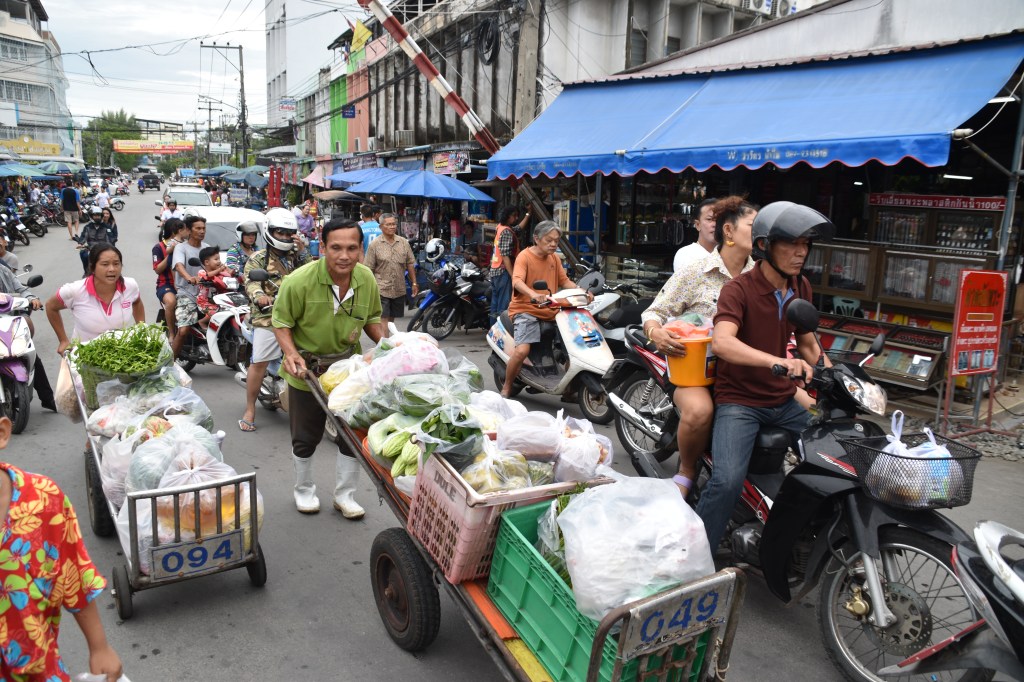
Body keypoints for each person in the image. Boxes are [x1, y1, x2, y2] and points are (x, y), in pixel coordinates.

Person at [697, 201, 832, 552]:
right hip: (740, 401)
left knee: (832, 456)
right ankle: (697, 556)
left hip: (783, 399)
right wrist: (777, 362)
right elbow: (723, 342)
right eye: (791, 244)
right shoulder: (738, 289)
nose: (801, 252)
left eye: (805, 245)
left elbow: (807, 343)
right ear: (764, 246)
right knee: (727, 481)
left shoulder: (800, 287)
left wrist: (838, 381)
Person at [641, 197, 757, 498]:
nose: (762, 232)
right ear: (729, 231)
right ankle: (687, 469)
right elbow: (654, 312)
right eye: (754, 226)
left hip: (745, 371)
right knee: (699, 411)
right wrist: (657, 333)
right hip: (694, 369)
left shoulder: (761, 276)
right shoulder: (696, 271)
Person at [273, 217, 382, 517]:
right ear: (322, 247)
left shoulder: (366, 279)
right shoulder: (299, 281)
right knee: (306, 437)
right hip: (307, 373)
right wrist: (291, 353)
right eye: (336, 247)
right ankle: (304, 490)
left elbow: (373, 320)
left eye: (351, 248)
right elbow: (281, 322)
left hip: (349, 371)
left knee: (352, 436)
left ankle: (345, 495)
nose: (344, 255)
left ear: (361, 249)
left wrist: (392, 345)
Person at [0, 423, 124, 681]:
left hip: (42, 671)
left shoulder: (44, 500)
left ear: (2, 433)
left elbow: (73, 575)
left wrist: (99, 646)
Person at [239, 209, 310, 434]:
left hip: (297, 316)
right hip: (268, 316)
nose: (286, 237)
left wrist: (304, 252)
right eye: (280, 232)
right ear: (269, 231)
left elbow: (314, 274)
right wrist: (260, 297)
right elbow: (251, 283)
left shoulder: (297, 257)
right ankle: (250, 409)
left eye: (290, 233)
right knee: (259, 361)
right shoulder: (258, 258)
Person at [501, 221, 591, 397]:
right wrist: (533, 294)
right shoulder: (524, 257)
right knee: (522, 351)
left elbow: (564, 281)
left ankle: (568, 389)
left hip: (551, 309)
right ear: (536, 239)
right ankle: (507, 385)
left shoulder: (554, 258)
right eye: (549, 240)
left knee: (576, 345)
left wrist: (581, 291)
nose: (553, 244)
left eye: (556, 241)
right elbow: (517, 281)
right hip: (525, 309)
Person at [46, 243, 145, 352]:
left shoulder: (130, 286)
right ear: (92, 267)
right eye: (105, 264)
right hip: (83, 354)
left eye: (116, 264)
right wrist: (63, 340)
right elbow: (51, 306)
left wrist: (141, 328)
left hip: (119, 353)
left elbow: (137, 302)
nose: (112, 269)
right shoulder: (75, 290)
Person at [364, 212, 416, 337]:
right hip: (381, 287)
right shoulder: (375, 245)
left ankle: (386, 341)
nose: (392, 227)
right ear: (381, 227)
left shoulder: (403, 242)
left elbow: (410, 263)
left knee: (391, 319)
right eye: (389, 224)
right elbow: (368, 268)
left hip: (398, 287)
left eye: (394, 224)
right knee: (383, 318)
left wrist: (414, 282)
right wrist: (368, 289)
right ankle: (385, 344)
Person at [169, 215, 209, 358]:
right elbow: (179, 266)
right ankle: (170, 364)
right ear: (189, 230)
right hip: (187, 294)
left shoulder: (207, 248)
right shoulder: (181, 248)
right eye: (198, 228)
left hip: (206, 295)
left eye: (203, 228)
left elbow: (216, 266)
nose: (202, 231)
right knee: (184, 330)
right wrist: (189, 278)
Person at [488, 205, 532, 327]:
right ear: (508, 216)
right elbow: (505, 256)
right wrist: (513, 276)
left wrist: (528, 214)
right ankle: (501, 333)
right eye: (514, 216)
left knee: (495, 305)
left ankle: (493, 331)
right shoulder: (506, 231)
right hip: (503, 272)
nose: (516, 218)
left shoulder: (501, 227)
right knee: (503, 306)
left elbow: (518, 229)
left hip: (495, 271)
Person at [153, 218, 188, 338]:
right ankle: (172, 334)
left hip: (185, 284)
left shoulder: (186, 245)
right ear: (175, 231)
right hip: (166, 285)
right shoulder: (159, 247)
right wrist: (171, 255)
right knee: (171, 301)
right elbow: (157, 269)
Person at [673, 198, 718, 273]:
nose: (715, 224)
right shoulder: (685, 254)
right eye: (709, 219)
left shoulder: (733, 253)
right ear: (697, 225)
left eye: (720, 219)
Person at [195, 246, 231, 327]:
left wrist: (227, 269)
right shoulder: (202, 272)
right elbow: (207, 276)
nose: (219, 261)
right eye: (216, 259)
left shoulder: (219, 272)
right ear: (207, 262)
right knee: (215, 312)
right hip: (204, 301)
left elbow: (229, 274)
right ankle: (202, 321)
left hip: (219, 300)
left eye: (219, 259)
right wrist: (219, 270)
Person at [75, 207, 114, 276]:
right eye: (95, 215)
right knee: (83, 253)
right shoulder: (87, 227)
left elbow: (110, 239)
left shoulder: (106, 227)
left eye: (98, 215)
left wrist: (109, 247)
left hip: (103, 248)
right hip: (91, 248)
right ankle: (87, 271)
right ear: (91, 216)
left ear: (101, 216)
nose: (97, 217)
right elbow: (84, 236)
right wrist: (80, 243)